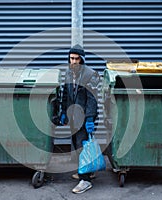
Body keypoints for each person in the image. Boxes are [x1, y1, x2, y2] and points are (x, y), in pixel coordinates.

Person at [60, 44, 100, 194]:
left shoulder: (90, 75)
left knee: (83, 146)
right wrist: (63, 112)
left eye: (77, 59)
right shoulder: (69, 74)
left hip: (85, 118)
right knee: (76, 145)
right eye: (71, 58)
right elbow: (65, 95)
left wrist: (90, 118)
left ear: (82, 60)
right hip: (73, 117)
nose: (74, 62)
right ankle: (87, 170)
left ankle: (85, 180)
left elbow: (92, 99)